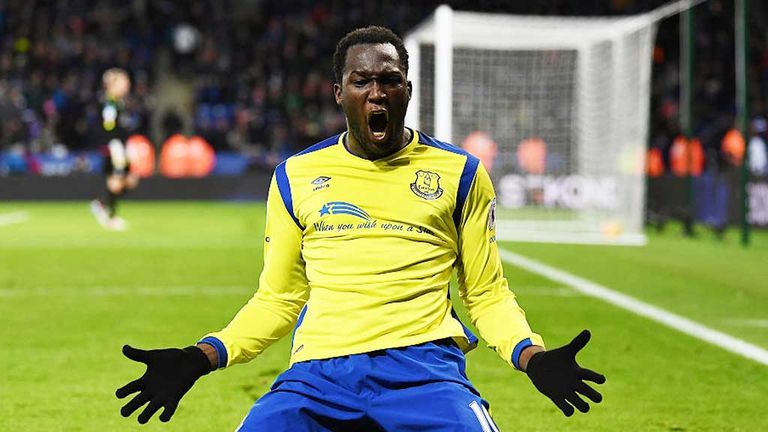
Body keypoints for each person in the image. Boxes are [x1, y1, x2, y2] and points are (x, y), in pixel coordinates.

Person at [116, 26, 605, 430]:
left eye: (390, 80)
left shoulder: (462, 174)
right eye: (361, 81)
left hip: (426, 375)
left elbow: (486, 294)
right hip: (316, 377)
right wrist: (200, 357)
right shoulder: (296, 176)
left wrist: (532, 356)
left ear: (407, 91)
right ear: (340, 93)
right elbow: (279, 298)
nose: (376, 93)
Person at [90, 68, 139, 231]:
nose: (127, 85)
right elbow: (108, 127)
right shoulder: (110, 103)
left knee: (129, 180)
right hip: (114, 146)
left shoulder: (119, 103)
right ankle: (110, 215)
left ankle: (102, 205)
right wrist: (114, 146)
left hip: (121, 146)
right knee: (116, 181)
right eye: (124, 82)